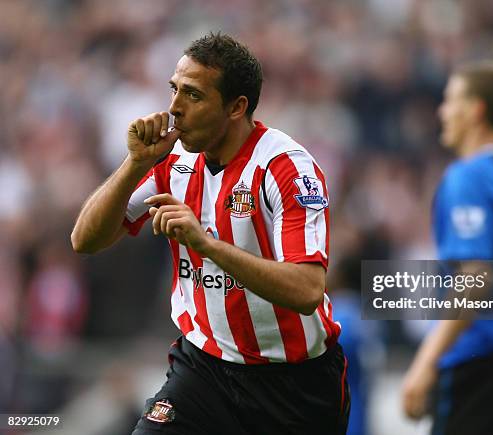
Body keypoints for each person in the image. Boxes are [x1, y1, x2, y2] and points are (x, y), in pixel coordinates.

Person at [71, 32, 349, 435]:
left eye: (193, 95)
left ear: (236, 107)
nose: (174, 108)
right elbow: (85, 240)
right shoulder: (173, 160)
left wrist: (205, 244)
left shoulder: (287, 168)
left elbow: (307, 290)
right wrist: (134, 164)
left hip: (294, 385)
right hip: (204, 369)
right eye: (174, 90)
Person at [401, 61, 493, 435]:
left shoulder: (471, 176)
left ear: (476, 110)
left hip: (476, 360)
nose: (441, 112)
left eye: (450, 101)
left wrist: (426, 361)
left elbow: (476, 275)